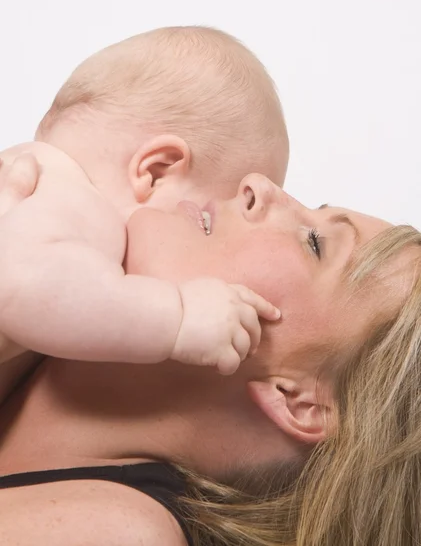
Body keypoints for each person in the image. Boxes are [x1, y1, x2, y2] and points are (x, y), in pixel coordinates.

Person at [0, 170, 420, 546]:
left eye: (315, 243)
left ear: (299, 401)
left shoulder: (118, 532)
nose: (257, 183)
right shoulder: (24, 319)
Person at [0, 26, 288, 378]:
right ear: (155, 172)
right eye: (205, 223)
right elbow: (26, 287)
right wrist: (181, 317)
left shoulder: (33, 185)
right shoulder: (79, 201)